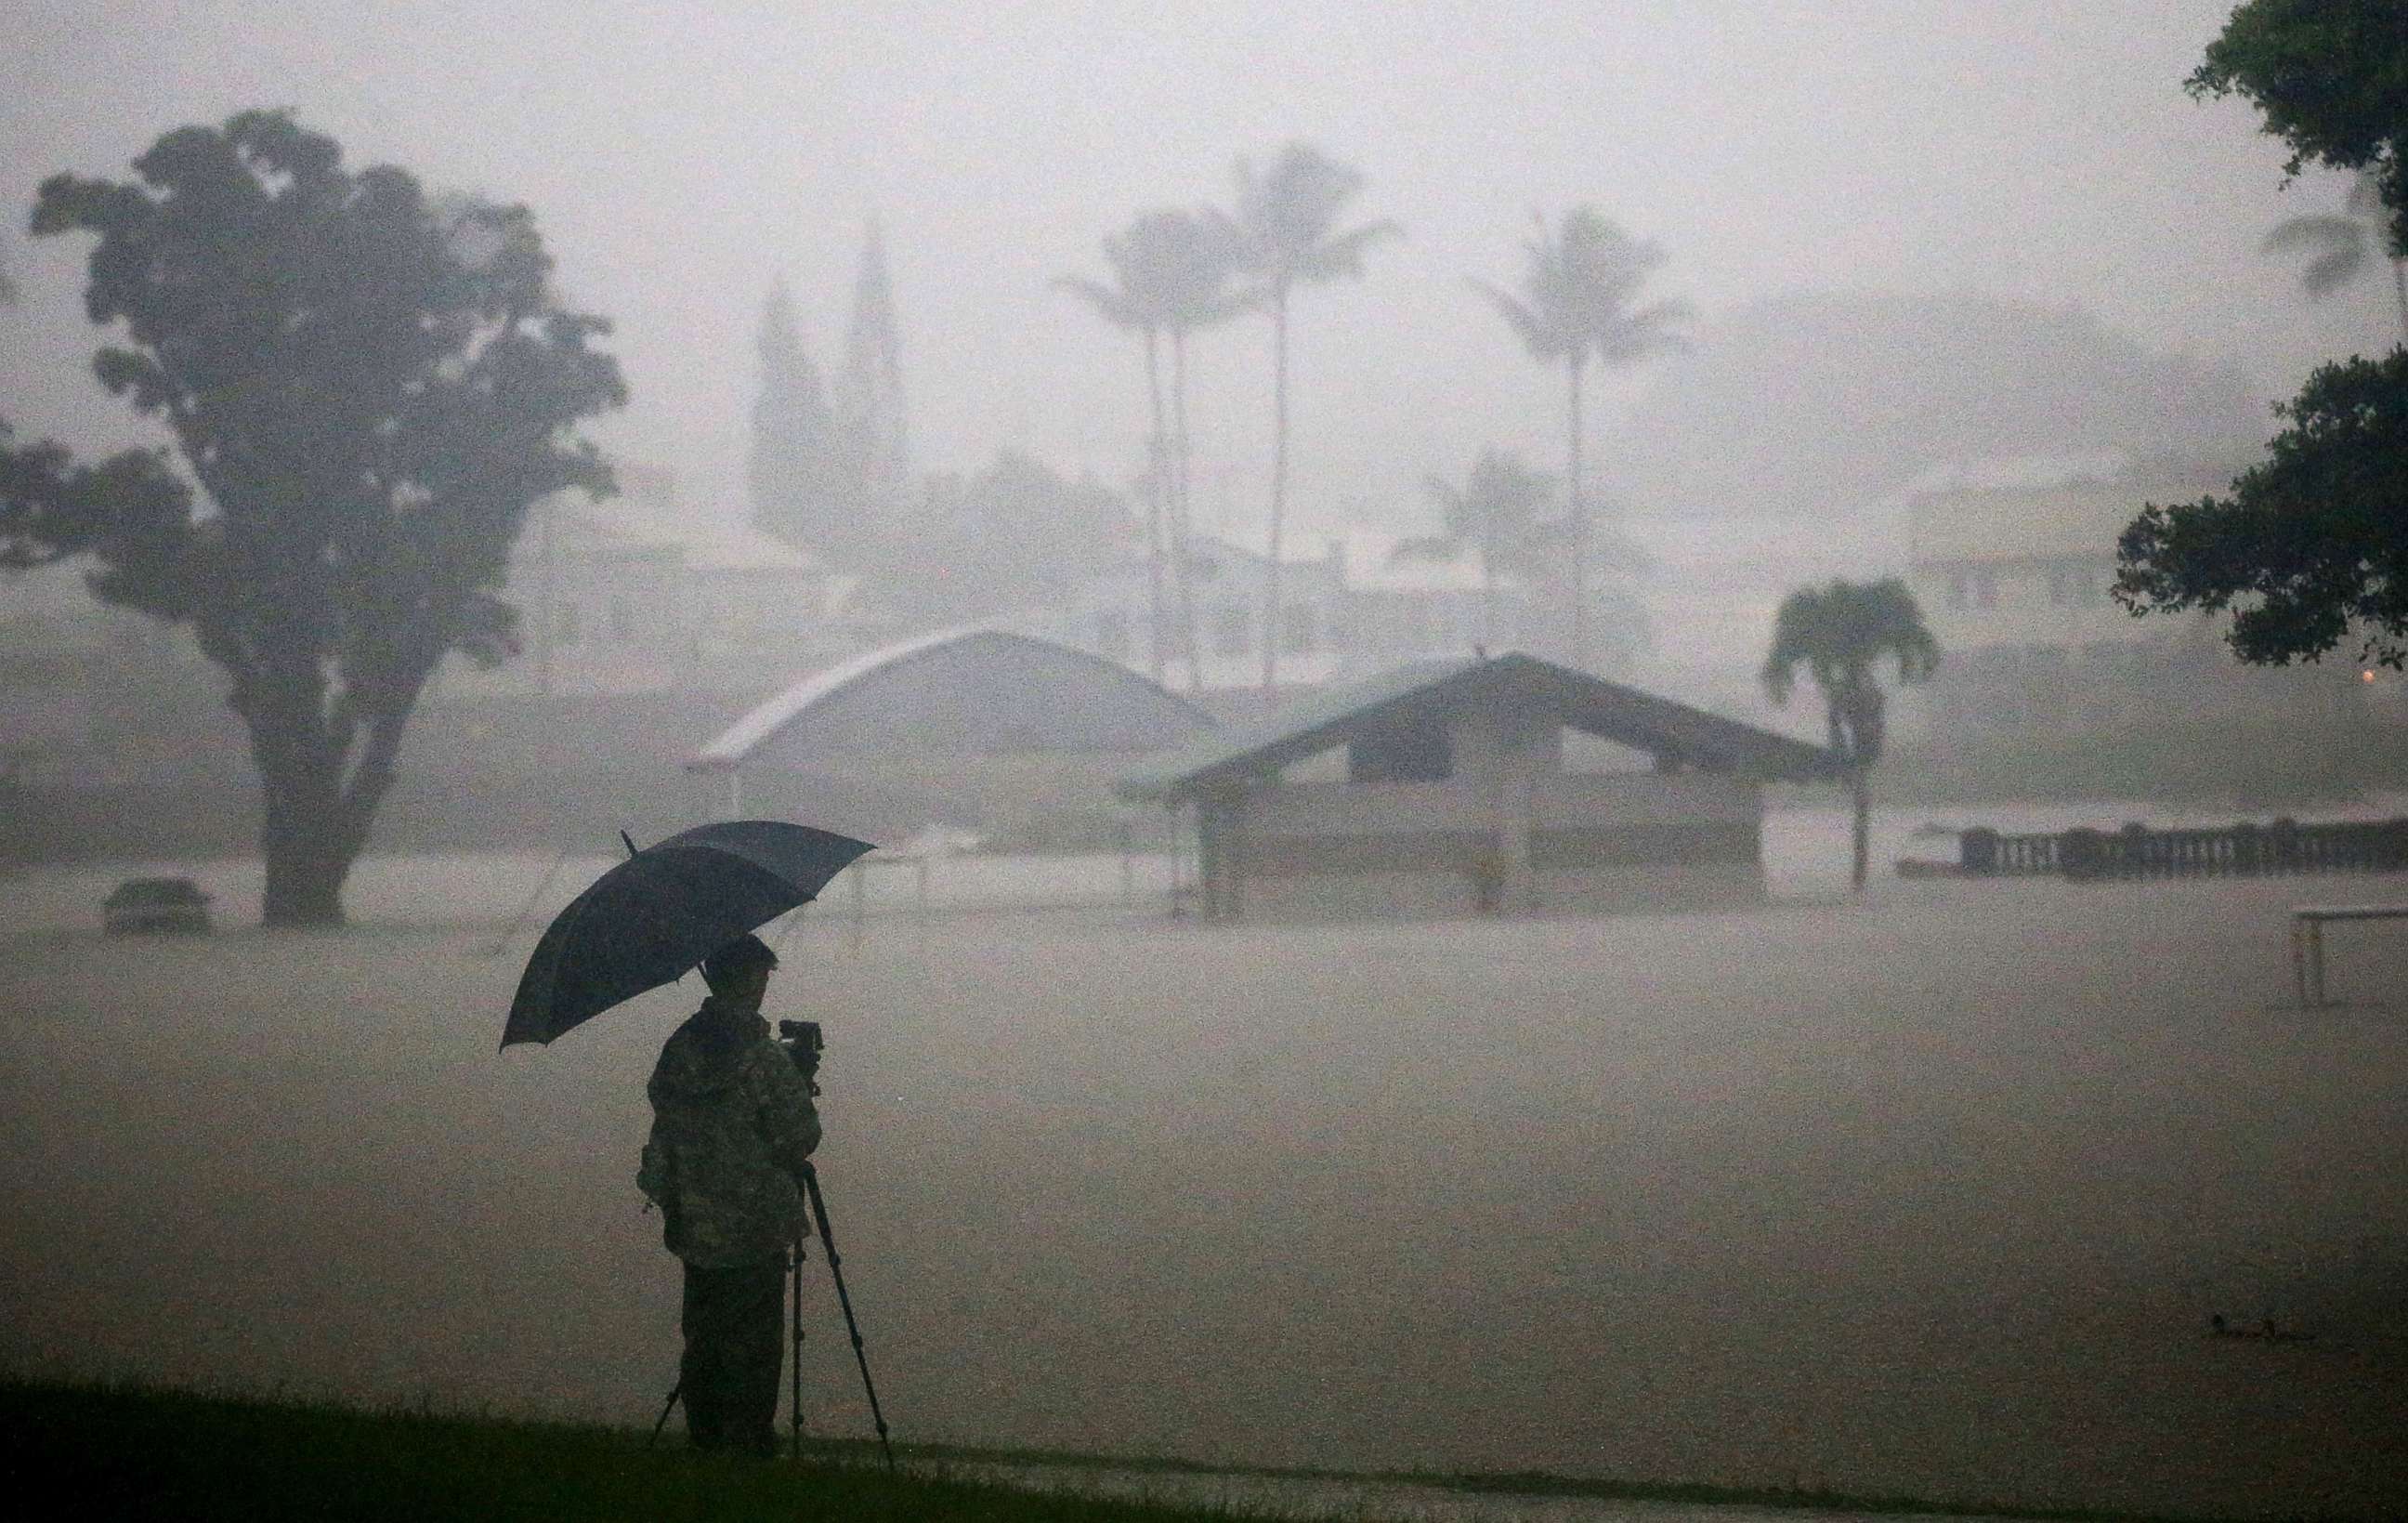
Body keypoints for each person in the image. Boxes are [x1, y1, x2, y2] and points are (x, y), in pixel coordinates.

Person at [636, 933, 820, 1455]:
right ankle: (749, 1441)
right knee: (757, 1339)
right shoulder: (762, 1060)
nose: (765, 987)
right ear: (746, 979)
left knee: (705, 1333)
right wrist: (797, 1081)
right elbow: (799, 1138)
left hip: (694, 1220)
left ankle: (707, 1434)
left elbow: (664, 1104)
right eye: (762, 976)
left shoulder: (680, 1047)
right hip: (755, 1222)